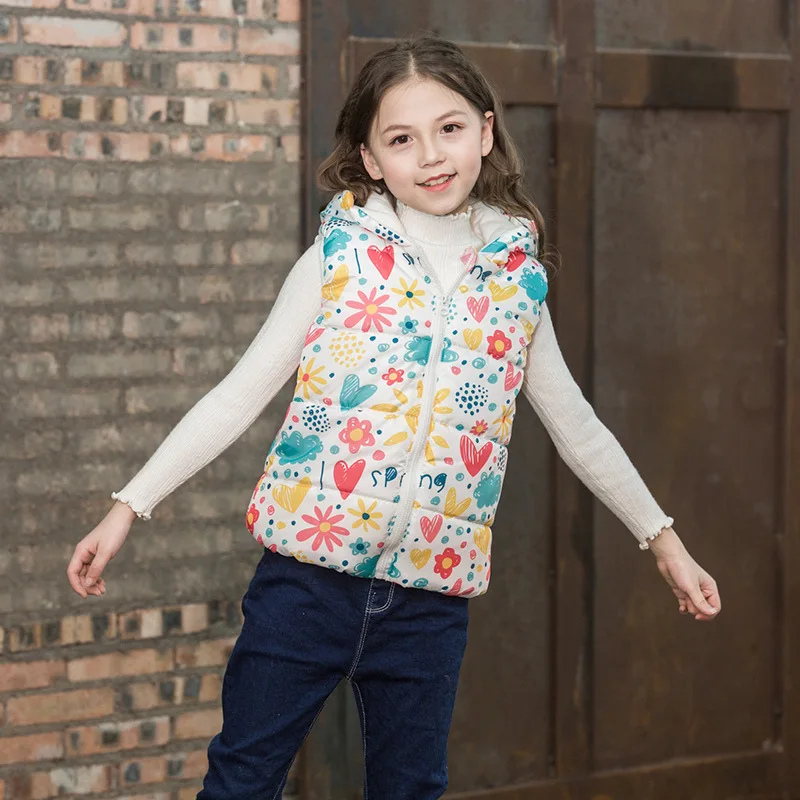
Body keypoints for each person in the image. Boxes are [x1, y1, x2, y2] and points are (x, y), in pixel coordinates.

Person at [67, 35, 721, 800]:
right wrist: (129, 506)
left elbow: (577, 425)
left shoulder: (516, 283)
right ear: (372, 159)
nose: (432, 156)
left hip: (429, 601)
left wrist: (664, 542)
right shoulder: (338, 259)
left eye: (450, 128)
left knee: (411, 790)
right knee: (242, 782)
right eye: (402, 139)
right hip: (304, 586)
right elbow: (238, 395)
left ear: (485, 131)